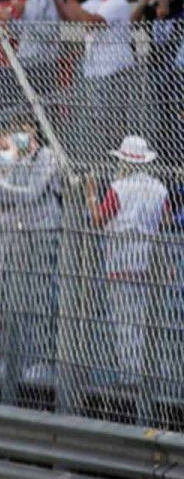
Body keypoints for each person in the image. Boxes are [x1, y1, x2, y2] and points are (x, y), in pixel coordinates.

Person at [0, 125, 60, 392]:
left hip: (38, 235)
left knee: (36, 299)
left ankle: (43, 360)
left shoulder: (45, 157)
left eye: (23, 130)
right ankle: (10, 358)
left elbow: (30, 194)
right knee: (0, 299)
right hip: (3, 239)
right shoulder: (2, 165)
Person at [91, 134, 167, 390]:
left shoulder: (118, 188)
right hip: (149, 261)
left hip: (121, 260)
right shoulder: (160, 188)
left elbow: (100, 219)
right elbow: (165, 221)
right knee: (144, 320)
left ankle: (129, 376)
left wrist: (91, 196)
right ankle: (146, 372)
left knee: (124, 321)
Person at [56, 0, 134, 158]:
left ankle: (111, 163)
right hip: (95, 73)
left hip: (114, 74)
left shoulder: (118, 2)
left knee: (110, 125)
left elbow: (91, 21)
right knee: (94, 124)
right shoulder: (96, 1)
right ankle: (96, 161)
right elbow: (70, 17)